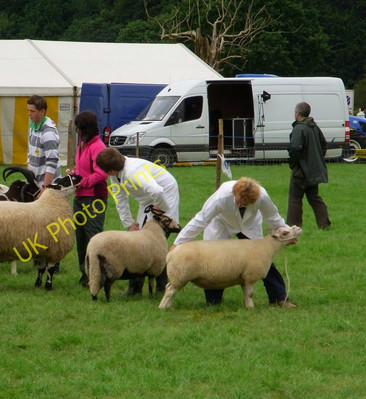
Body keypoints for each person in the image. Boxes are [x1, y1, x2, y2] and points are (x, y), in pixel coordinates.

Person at [172, 177, 296, 308]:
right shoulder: (221, 197)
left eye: (245, 203)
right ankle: (214, 302)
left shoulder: (262, 196)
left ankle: (278, 298)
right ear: (234, 193)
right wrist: (178, 242)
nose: (240, 204)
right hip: (221, 222)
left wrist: (287, 234)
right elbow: (201, 219)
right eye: (238, 200)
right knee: (215, 260)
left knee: (261, 258)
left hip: (248, 225)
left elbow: (272, 216)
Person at [96, 147, 179, 296]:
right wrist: (129, 223)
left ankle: (161, 289)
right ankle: (135, 290)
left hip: (164, 193)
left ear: (111, 171)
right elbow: (120, 198)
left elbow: (157, 190)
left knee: (155, 244)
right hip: (148, 197)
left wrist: (162, 208)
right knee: (138, 242)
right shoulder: (116, 175)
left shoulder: (132, 173)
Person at [66, 111, 108, 288]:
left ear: (86, 128)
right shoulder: (82, 145)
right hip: (80, 197)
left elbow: (101, 173)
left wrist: (83, 182)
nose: (77, 130)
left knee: (94, 238)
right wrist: (74, 174)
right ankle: (86, 275)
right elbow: (81, 168)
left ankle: (100, 277)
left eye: (79, 127)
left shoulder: (98, 146)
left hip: (94, 198)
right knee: (81, 239)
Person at [286, 101, 331, 229]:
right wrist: (316, 158)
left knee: (295, 199)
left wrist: (294, 164)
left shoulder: (299, 128)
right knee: (314, 197)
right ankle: (324, 224)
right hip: (314, 170)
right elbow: (324, 145)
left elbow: (294, 148)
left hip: (301, 171)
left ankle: (293, 227)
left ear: (298, 113)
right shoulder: (314, 127)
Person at [27, 95, 60, 190]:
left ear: (42, 111)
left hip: (48, 186)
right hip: (36, 183)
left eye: (32, 111)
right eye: (28, 110)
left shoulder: (49, 133)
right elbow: (29, 155)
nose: (29, 114)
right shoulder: (32, 127)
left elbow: (52, 163)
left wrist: (45, 189)